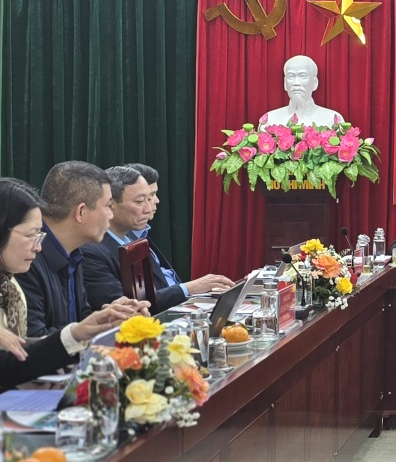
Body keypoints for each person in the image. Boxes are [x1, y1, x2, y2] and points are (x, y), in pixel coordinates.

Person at [0, 177, 140, 389]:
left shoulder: (10, 285)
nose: (38, 247)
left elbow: (18, 355)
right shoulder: (23, 273)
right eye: (30, 235)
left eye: (39, 235)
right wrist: (76, 333)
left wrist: (92, 326)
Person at [19, 161, 148, 336]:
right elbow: (32, 340)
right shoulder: (26, 258)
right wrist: (87, 330)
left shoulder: (74, 252)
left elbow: (79, 320)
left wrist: (108, 319)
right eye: (108, 206)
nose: (111, 215)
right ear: (81, 212)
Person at [82, 166, 233, 312]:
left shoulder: (132, 240)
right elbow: (127, 309)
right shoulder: (91, 252)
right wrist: (188, 288)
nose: (148, 209)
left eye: (149, 199)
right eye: (139, 202)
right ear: (110, 204)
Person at [262, 54, 343, 127]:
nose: (296, 83)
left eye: (303, 76)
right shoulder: (269, 120)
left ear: (315, 83)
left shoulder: (332, 119)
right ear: (285, 83)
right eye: (291, 76)